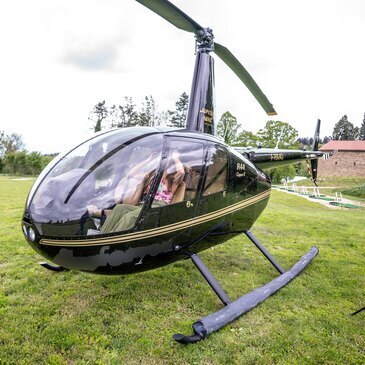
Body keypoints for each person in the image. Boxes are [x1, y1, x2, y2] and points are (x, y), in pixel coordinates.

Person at [87, 150, 185, 234]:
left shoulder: (172, 180)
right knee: (119, 208)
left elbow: (181, 172)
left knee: (129, 217)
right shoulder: (153, 175)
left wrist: (176, 158)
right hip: (145, 204)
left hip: (159, 207)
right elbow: (131, 174)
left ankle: (112, 241)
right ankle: (103, 235)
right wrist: (149, 159)